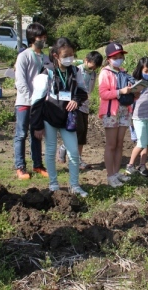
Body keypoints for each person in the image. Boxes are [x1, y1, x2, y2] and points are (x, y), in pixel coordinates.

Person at [30, 37, 89, 197]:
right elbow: (36, 101)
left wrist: (76, 101)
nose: (70, 58)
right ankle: (53, 184)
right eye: (66, 55)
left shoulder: (76, 72)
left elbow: (83, 92)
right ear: (56, 55)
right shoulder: (47, 72)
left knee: (74, 153)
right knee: (50, 150)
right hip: (49, 117)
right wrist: (37, 125)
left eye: (72, 54)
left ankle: (75, 185)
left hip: (67, 118)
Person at [14, 23, 50, 180]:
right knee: (21, 134)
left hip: (40, 103)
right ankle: (20, 166)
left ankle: (37, 165)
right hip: (24, 102)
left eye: (44, 37)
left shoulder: (46, 57)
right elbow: (20, 82)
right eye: (40, 37)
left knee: (37, 134)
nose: (43, 40)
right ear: (32, 38)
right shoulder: (24, 56)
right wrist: (31, 99)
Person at [57, 51, 104, 170]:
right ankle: (67, 151)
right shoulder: (76, 71)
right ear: (86, 60)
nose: (94, 68)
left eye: (96, 66)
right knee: (77, 130)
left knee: (82, 134)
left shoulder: (93, 74)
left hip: (85, 105)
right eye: (92, 64)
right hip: (75, 105)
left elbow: (89, 90)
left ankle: (77, 158)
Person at [98, 42, 135, 187]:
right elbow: (103, 93)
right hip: (111, 112)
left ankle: (116, 172)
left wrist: (134, 91)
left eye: (121, 56)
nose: (119, 59)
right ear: (108, 58)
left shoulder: (124, 72)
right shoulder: (105, 73)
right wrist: (120, 91)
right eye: (115, 57)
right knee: (111, 144)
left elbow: (129, 93)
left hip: (124, 110)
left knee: (120, 144)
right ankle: (110, 175)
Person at [125, 57, 148, 177]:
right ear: (140, 70)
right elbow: (130, 101)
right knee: (141, 142)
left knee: (147, 143)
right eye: (146, 71)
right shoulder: (134, 83)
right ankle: (130, 165)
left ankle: (142, 165)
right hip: (138, 117)